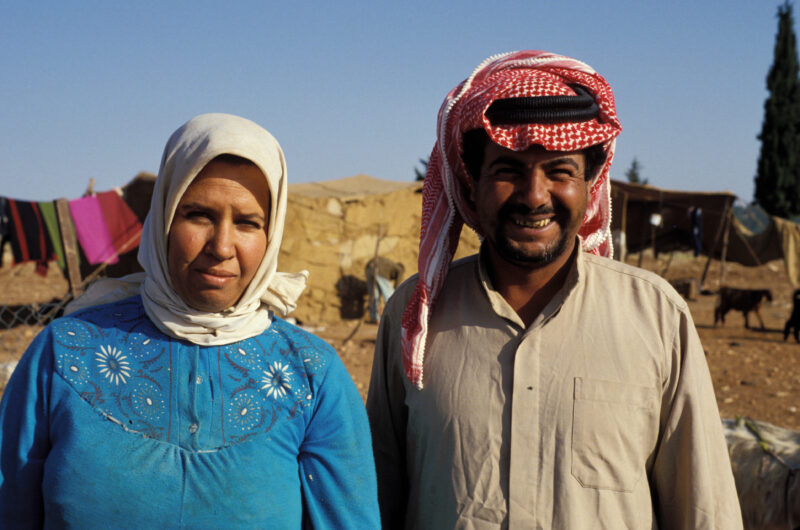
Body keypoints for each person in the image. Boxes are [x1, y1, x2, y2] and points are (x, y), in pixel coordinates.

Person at [366, 51, 742, 528]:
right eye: (507, 170)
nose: (534, 195)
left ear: (589, 184)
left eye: (559, 171)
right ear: (472, 185)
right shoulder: (416, 315)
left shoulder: (656, 316)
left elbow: (704, 510)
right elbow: (375, 500)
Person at [0, 113, 380, 528]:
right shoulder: (64, 352)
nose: (221, 246)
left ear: (272, 235)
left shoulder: (311, 375)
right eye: (198, 215)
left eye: (248, 223)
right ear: (163, 218)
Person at [365, 256, 405, 323]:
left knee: (374, 295)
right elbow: (397, 286)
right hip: (379, 269)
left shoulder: (390, 266)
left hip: (368, 268)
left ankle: (375, 318)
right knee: (390, 296)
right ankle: (393, 317)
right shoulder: (400, 270)